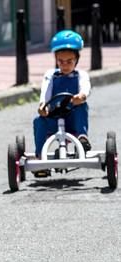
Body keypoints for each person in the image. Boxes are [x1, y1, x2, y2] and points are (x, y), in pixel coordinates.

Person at [33, 30, 90, 164]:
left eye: (69, 61)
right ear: (56, 60)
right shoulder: (51, 75)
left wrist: (81, 96)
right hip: (54, 118)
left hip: (72, 120)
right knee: (39, 121)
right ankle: (40, 155)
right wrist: (43, 105)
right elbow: (45, 92)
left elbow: (85, 88)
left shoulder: (81, 75)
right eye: (61, 61)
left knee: (82, 106)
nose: (65, 65)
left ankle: (82, 138)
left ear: (76, 60)